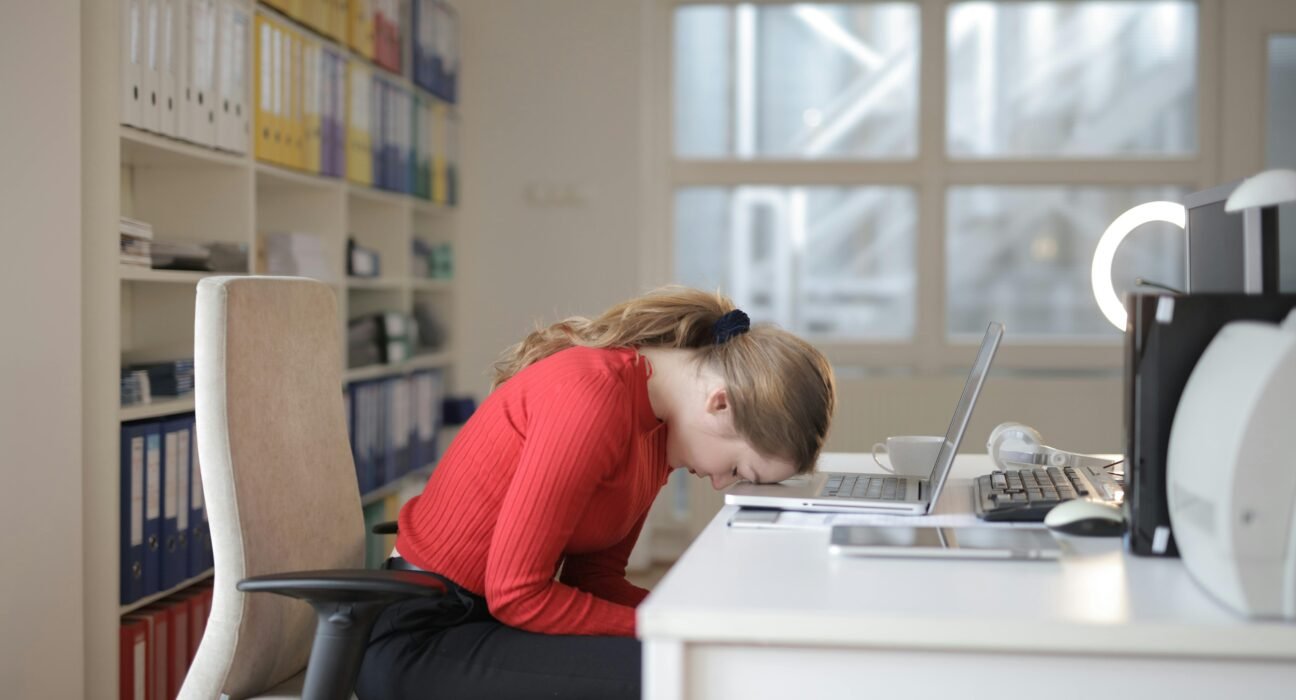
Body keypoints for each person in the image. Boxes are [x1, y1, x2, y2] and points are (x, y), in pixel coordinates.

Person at [356, 286, 836, 700]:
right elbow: (518, 594)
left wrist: (698, 619)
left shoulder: (657, 433)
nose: (720, 482)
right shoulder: (594, 396)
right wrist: (675, 627)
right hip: (425, 637)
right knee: (687, 675)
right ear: (721, 403)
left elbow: (596, 579)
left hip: (488, 626)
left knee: (701, 661)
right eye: (736, 469)